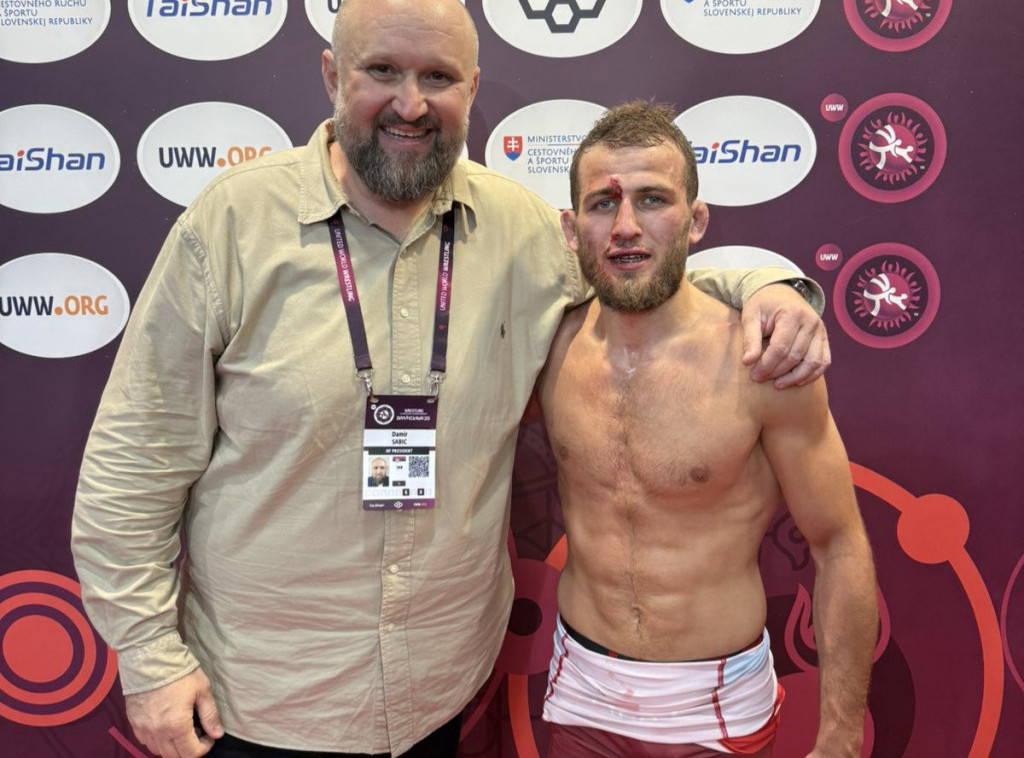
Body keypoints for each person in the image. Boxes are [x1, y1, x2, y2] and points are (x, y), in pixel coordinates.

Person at [71, 3, 832, 758]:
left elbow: (641, 277)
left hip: (435, 696)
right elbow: (134, 463)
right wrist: (149, 660)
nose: (410, 104)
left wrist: (768, 286)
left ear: (471, 88)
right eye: (382, 71)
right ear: (332, 75)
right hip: (262, 703)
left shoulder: (519, 228)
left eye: (437, 77)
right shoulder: (232, 225)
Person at [535, 101, 877, 758]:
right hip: (582, 685)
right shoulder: (548, 349)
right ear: (572, 228)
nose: (626, 227)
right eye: (604, 205)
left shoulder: (761, 359)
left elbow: (839, 545)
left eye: (652, 200)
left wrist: (840, 737)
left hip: (715, 700)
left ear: (696, 221)